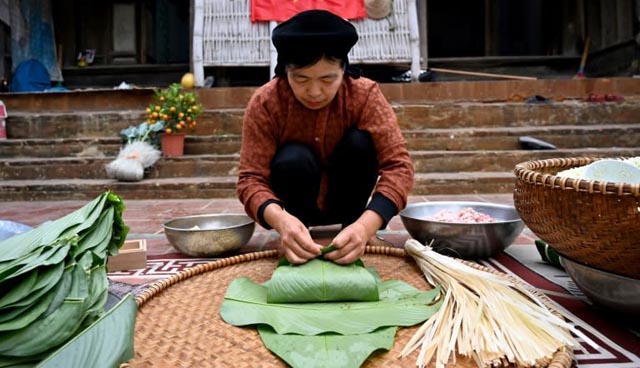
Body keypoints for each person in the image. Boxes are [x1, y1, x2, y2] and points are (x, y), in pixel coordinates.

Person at [236, 9, 414, 265]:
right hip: (294, 212)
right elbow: (250, 179)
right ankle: (297, 234)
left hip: (350, 208)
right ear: (285, 72)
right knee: (293, 157)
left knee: (359, 143)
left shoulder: (365, 95)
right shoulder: (266, 102)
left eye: (328, 79)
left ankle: (352, 230)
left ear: (344, 70)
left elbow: (399, 167)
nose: (315, 91)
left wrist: (367, 225)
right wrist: (280, 220)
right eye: (301, 79)